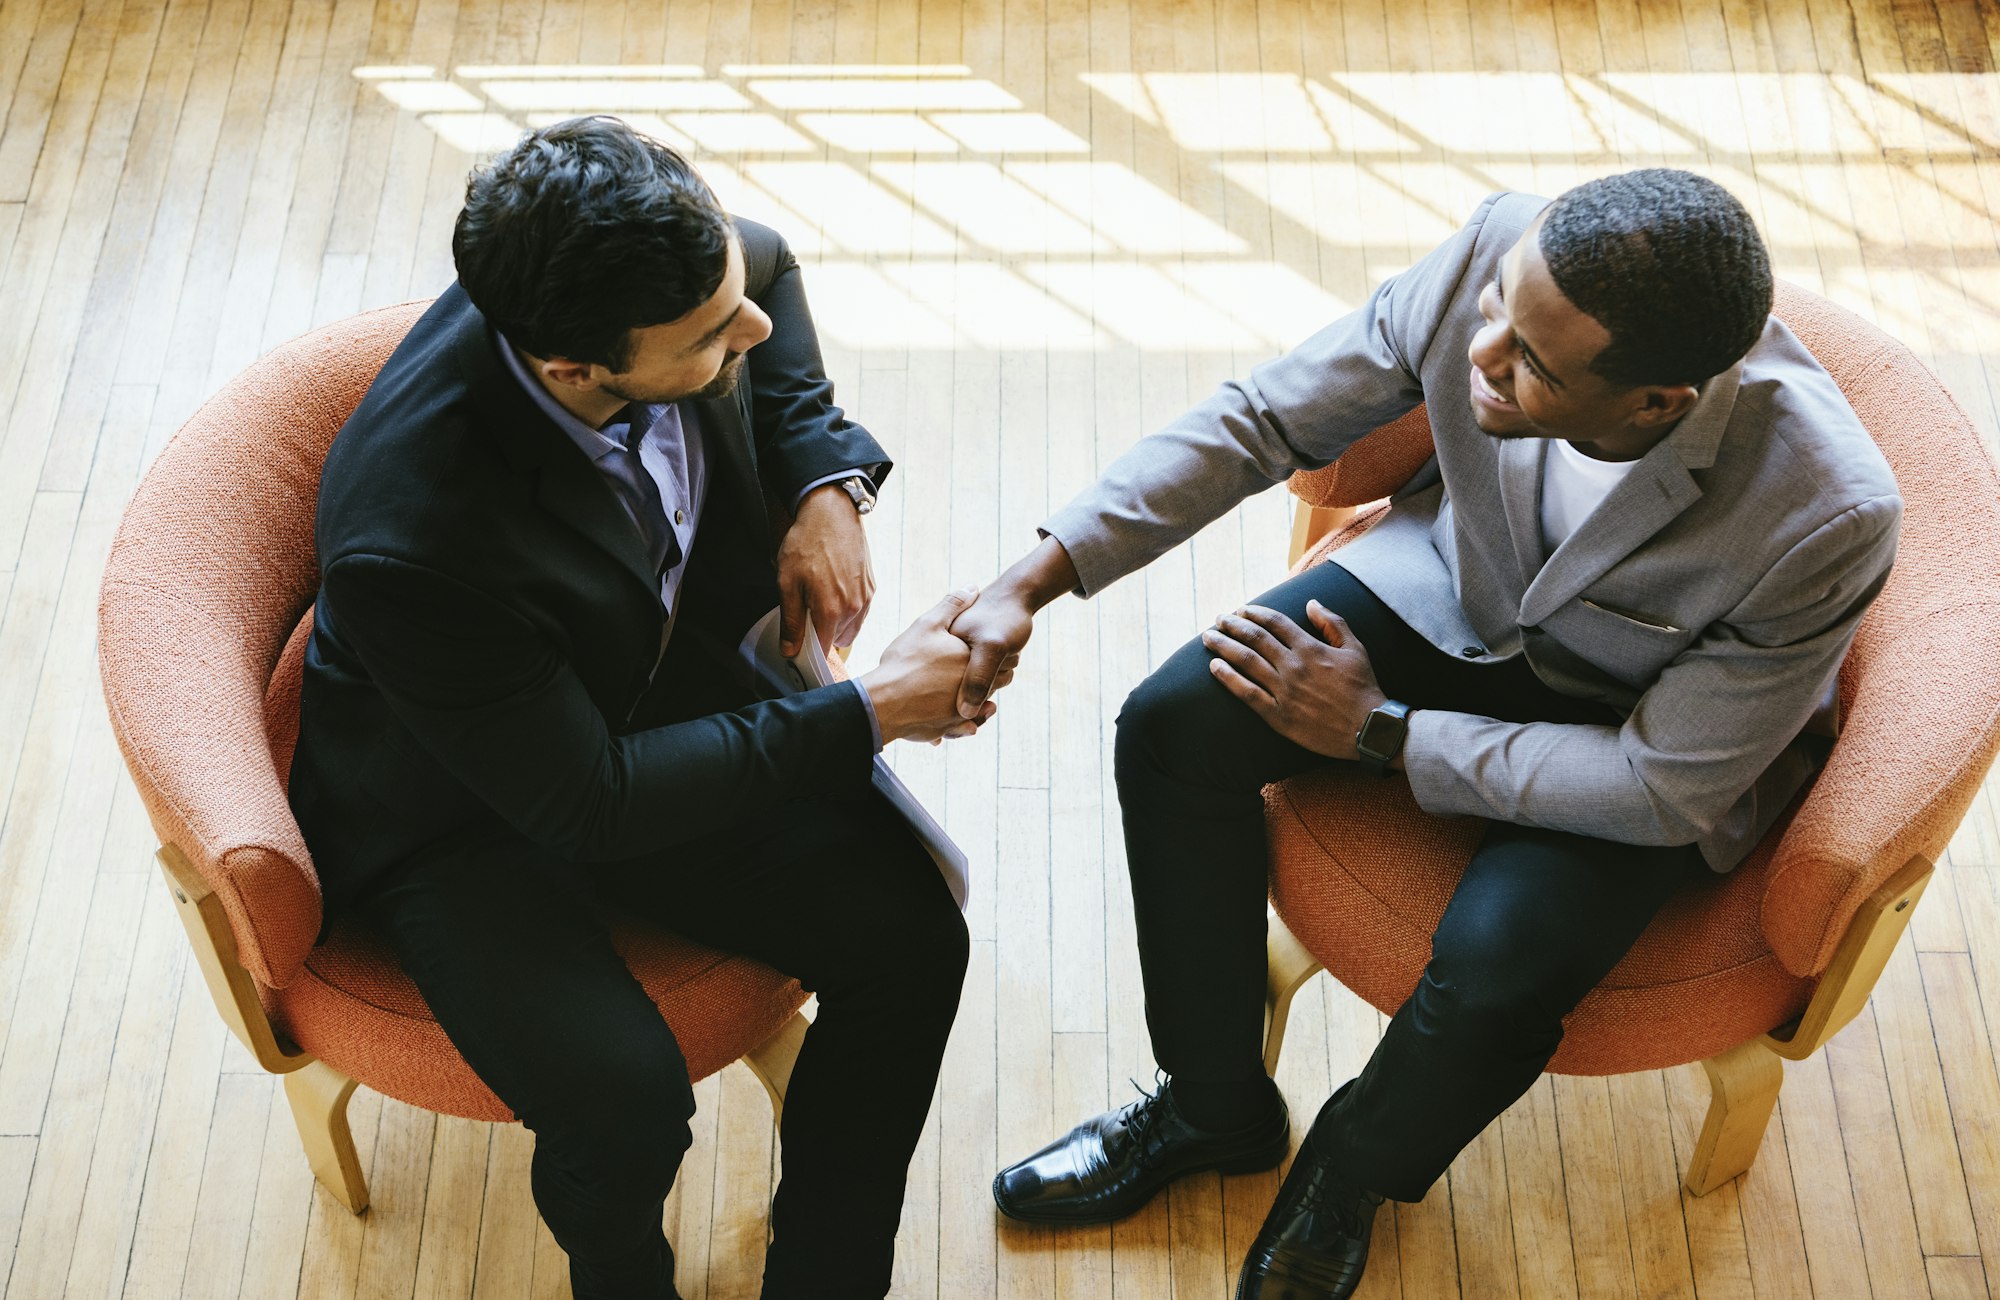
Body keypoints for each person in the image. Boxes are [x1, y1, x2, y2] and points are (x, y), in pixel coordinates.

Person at [951, 169, 1901, 1297]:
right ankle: (1211, 1108)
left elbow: (1660, 786)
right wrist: (1036, 575)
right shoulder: (1506, 252)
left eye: (1529, 365)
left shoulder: (1825, 512)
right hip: (1452, 594)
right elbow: (1262, 416)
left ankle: (1352, 1174)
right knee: (1171, 725)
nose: (1478, 352)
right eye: (1495, 308)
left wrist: (1380, 734)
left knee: (1497, 971)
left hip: (1635, 731)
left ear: (1659, 402)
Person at [287, 116, 1004, 1300]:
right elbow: (589, 800)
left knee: (914, 939)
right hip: (465, 816)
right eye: (712, 339)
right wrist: (871, 710)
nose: (751, 332)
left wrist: (823, 480)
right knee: (624, 1106)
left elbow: (766, 267)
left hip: (648, 689)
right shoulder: (413, 539)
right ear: (575, 368)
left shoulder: (681, 278)